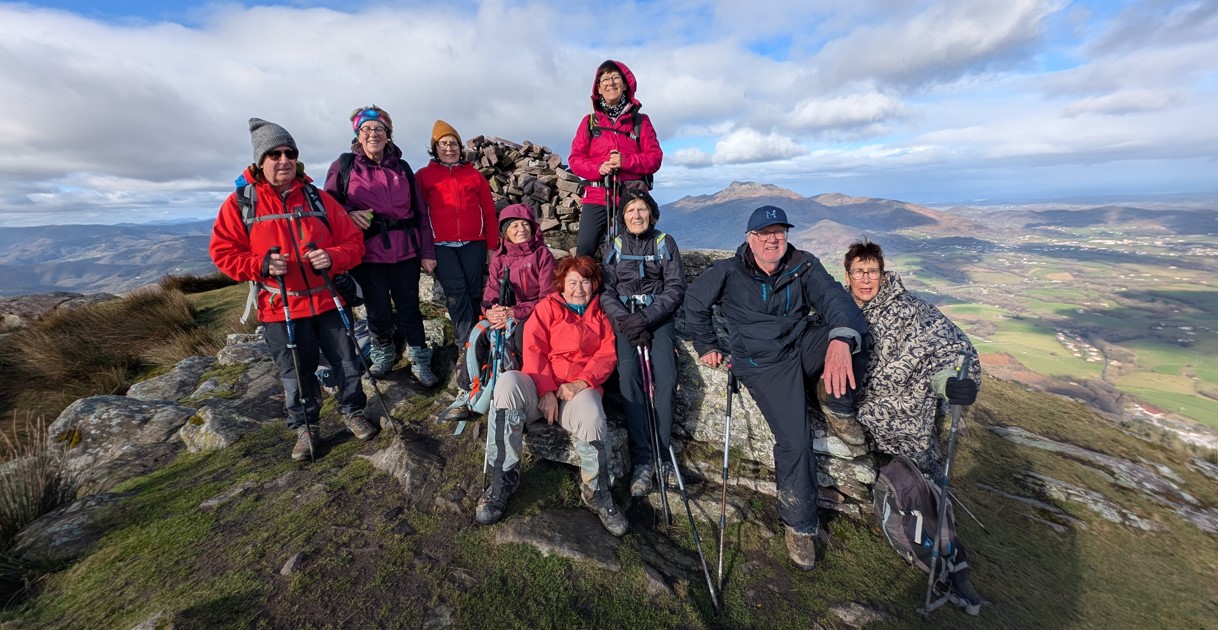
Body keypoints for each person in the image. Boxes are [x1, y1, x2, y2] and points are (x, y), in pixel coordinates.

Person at [684, 206, 868, 571]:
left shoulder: (803, 265)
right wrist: (706, 345)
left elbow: (837, 301)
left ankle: (837, 405)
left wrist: (840, 339)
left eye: (779, 232)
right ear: (750, 239)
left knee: (851, 338)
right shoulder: (728, 271)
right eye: (764, 233)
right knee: (795, 441)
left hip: (801, 344)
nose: (773, 239)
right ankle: (800, 525)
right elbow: (694, 304)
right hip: (764, 365)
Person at [210, 118, 378, 460]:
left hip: (327, 299)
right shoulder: (241, 203)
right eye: (275, 154)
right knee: (295, 373)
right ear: (261, 161)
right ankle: (305, 428)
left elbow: (354, 243)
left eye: (290, 153)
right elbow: (223, 254)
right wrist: (261, 265)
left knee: (347, 361)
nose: (284, 160)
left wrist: (331, 257)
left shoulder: (318, 198)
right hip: (279, 305)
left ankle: (353, 412)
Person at [475, 255, 627, 537]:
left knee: (593, 416)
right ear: (562, 284)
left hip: (577, 392)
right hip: (538, 387)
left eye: (585, 281)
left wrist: (581, 383)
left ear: (595, 284)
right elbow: (533, 347)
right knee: (507, 384)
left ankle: (596, 492)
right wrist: (545, 390)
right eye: (572, 282)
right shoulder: (547, 307)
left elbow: (607, 355)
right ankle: (503, 479)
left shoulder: (602, 313)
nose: (579, 288)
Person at [843, 240, 980, 478]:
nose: (866, 279)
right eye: (858, 272)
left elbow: (949, 348)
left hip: (905, 428)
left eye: (872, 271)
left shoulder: (912, 311)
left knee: (921, 498)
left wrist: (949, 382)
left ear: (882, 276)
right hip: (851, 418)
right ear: (848, 276)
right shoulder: (837, 308)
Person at [324, 105, 439, 386]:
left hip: (405, 250)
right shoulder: (345, 165)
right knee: (377, 310)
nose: (373, 133)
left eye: (379, 129)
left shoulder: (402, 167)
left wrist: (427, 252)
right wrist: (349, 215)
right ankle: (383, 356)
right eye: (367, 129)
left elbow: (420, 213)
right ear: (358, 135)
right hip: (368, 252)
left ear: (388, 135)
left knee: (410, 307)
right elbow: (328, 207)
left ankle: (419, 360)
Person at [600, 190, 686, 497]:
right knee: (629, 378)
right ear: (622, 217)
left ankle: (662, 454)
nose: (636, 215)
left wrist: (646, 318)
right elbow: (606, 290)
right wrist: (625, 321)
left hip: (657, 319)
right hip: (625, 320)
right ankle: (642, 460)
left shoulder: (665, 243)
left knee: (667, 377)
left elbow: (675, 287)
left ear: (652, 213)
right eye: (630, 210)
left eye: (642, 209)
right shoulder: (616, 245)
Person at [447, 204, 557, 417]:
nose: (521, 229)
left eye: (525, 224)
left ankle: (520, 390)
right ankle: (467, 391)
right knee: (479, 334)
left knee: (521, 336)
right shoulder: (499, 257)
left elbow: (549, 298)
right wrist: (489, 312)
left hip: (534, 314)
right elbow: (490, 293)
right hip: (504, 313)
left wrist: (516, 312)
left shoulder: (542, 255)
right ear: (505, 231)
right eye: (514, 225)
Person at [416, 119, 499, 354]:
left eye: (454, 144)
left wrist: (491, 247)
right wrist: (425, 252)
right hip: (441, 245)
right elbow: (419, 217)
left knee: (474, 291)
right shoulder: (423, 176)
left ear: (460, 148)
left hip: (474, 243)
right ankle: (467, 346)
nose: (449, 148)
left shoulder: (474, 176)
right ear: (435, 148)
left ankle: (478, 338)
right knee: (457, 291)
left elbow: (489, 213)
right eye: (443, 144)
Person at [568, 60, 663, 257]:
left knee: (631, 249)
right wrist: (598, 168)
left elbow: (655, 159)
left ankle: (628, 287)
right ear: (599, 88)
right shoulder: (589, 122)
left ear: (626, 84)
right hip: (597, 194)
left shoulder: (640, 121)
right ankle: (585, 288)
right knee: (584, 251)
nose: (610, 83)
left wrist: (625, 161)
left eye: (615, 78)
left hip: (633, 196)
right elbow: (575, 160)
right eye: (605, 79)